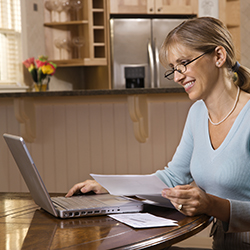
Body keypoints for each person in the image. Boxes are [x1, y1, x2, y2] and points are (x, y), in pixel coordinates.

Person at [66, 17, 250, 250]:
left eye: (184, 63)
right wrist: (109, 187)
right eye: (173, 69)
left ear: (219, 56)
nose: (177, 77)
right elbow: (173, 178)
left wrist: (211, 205)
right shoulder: (197, 113)